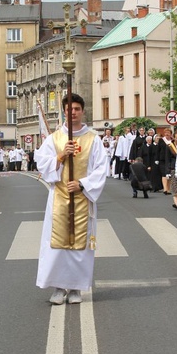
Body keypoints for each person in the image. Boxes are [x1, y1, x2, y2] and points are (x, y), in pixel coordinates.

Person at [35, 93, 108, 305]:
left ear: (82, 111)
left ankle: (76, 288)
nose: (72, 112)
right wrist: (60, 157)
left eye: (76, 109)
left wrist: (83, 184)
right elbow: (41, 162)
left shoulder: (93, 140)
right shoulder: (55, 138)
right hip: (58, 198)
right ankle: (58, 287)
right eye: (69, 109)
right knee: (57, 245)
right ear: (64, 111)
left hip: (82, 197)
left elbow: (101, 169)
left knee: (80, 245)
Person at [167, 129, 177, 209]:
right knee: (175, 186)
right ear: (174, 138)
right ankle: (175, 203)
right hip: (173, 168)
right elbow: (167, 159)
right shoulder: (170, 146)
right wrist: (167, 171)